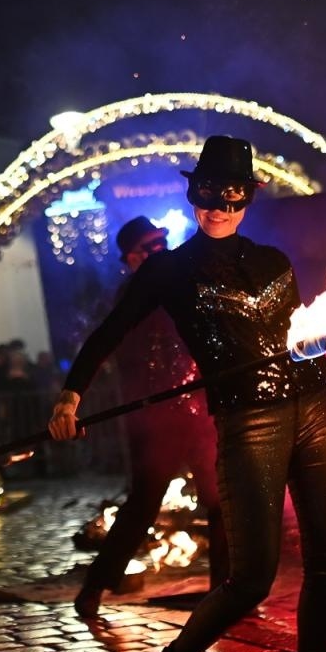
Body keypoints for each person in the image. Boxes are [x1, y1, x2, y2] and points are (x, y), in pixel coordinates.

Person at [49, 136, 326, 652]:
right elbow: (109, 332)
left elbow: (312, 353)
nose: (215, 208)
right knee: (251, 578)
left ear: (248, 197)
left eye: (228, 197)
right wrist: (70, 396)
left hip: (314, 416)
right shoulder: (169, 270)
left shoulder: (274, 263)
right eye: (205, 195)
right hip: (249, 423)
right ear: (192, 195)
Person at [72, 216, 228, 619]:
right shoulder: (131, 295)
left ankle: (224, 591)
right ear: (132, 257)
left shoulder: (188, 282)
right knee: (143, 503)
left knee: (219, 497)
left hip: (198, 409)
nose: (161, 250)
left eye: (163, 241)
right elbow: (124, 353)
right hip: (156, 416)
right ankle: (94, 586)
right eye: (150, 246)